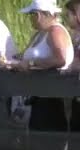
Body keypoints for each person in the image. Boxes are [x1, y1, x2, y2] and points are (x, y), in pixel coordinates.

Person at [10, 0, 75, 130]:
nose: (30, 20)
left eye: (31, 15)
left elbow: (60, 59)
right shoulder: (39, 34)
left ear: (38, 15)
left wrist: (31, 63)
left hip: (51, 97)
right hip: (36, 95)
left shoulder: (55, 31)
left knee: (48, 140)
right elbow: (27, 57)